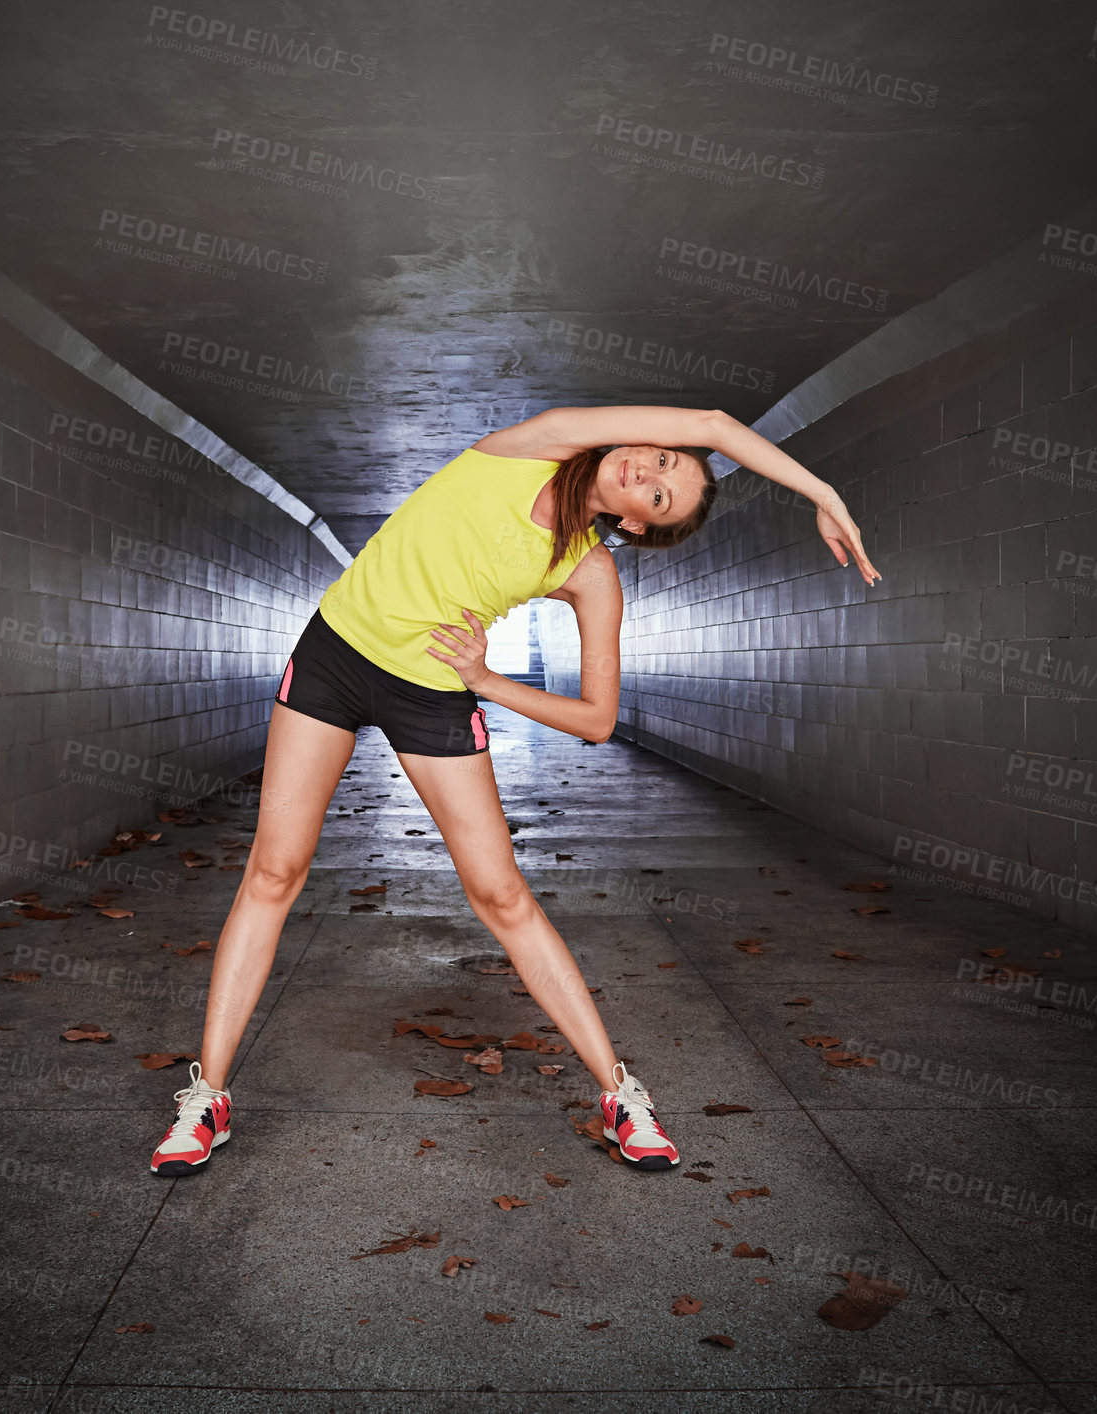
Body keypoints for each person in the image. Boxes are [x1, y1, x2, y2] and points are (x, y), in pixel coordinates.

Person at [149, 404, 880, 1176]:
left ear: (635, 528)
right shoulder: (533, 445)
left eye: (662, 494)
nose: (650, 471)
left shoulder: (590, 572)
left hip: (433, 692)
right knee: (274, 870)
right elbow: (715, 422)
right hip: (334, 655)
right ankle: (209, 1100)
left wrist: (487, 680)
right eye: (663, 460)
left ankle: (621, 1095)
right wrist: (822, 492)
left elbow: (598, 720)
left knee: (501, 896)